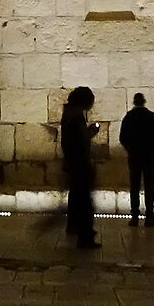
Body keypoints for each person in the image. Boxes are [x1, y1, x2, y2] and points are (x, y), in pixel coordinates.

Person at [117, 93, 154, 227]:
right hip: (148, 155)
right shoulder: (151, 117)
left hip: (134, 155)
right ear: (144, 102)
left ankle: (134, 216)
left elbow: (123, 137)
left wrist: (130, 148)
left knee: (134, 185)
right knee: (149, 186)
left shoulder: (129, 117)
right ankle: (149, 216)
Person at [60, 86, 101, 249]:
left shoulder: (69, 114)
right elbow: (79, 141)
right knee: (84, 201)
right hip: (80, 163)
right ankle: (85, 236)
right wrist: (91, 132)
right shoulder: (76, 117)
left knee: (77, 196)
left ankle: (74, 225)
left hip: (74, 163)